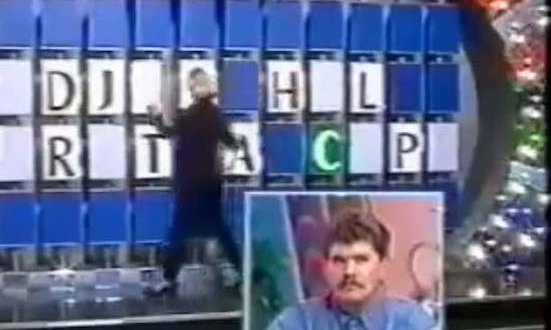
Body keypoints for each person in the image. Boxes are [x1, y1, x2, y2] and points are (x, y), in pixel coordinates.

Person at [144, 68, 242, 297]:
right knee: (220, 229)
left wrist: (155, 116)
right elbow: (232, 143)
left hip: (190, 183)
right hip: (211, 183)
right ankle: (241, 270)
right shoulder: (216, 115)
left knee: (179, 231)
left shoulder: (190, 115)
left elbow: (168, 131)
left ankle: (168, 278)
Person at [265, 209, 437, 330]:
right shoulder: (296, 323)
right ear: (325, 267)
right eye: (339, 260)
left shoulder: (413, 323)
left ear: (383, 266)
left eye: (361, 260)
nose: (349, 271)